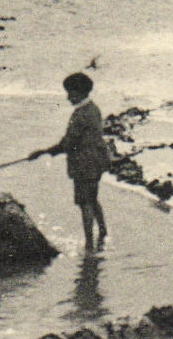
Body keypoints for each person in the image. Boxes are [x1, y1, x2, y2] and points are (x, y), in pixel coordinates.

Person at [29, 72, 111, 252]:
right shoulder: (93, 108)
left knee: (84, 203)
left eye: (70, 93)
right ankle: (103, 232)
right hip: (97, 160)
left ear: (80, 93)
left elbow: (68, 142)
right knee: (92, 197)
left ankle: (89, 244)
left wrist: (44, 152)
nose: (68, 97)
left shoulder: (80, 115)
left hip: (85, 164)